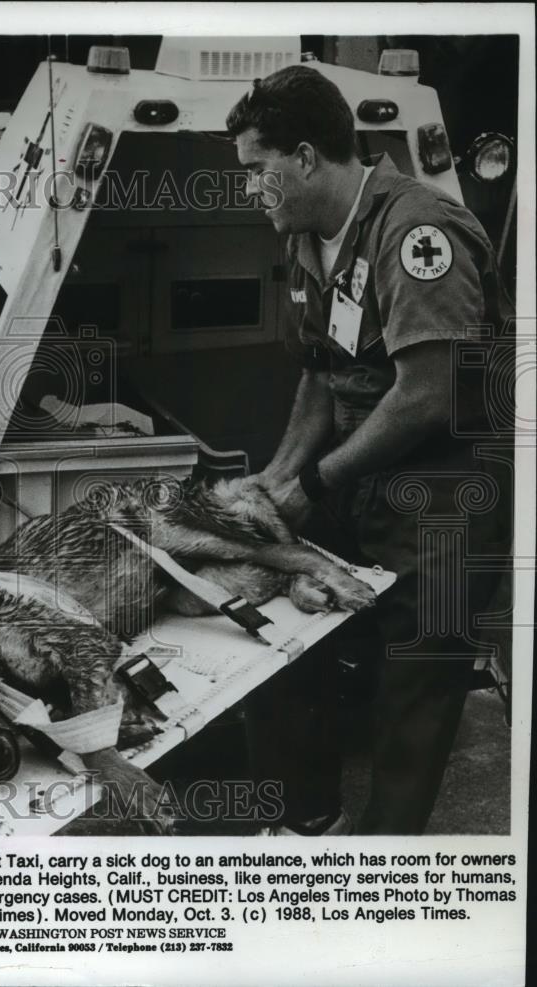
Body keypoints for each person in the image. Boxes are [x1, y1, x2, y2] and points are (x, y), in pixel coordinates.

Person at [225, 66, 512, 835]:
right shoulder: (310, 237)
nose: (250, 190)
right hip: (367, 473)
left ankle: (381, 874)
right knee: (278, 624)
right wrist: (277, 479)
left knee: (414, 693)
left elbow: (428, 394)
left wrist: (315, 481)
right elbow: (324, 375)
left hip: (448, 490)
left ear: (308, 158)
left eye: (258, 171)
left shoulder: (417, 230)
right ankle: (303, 821)